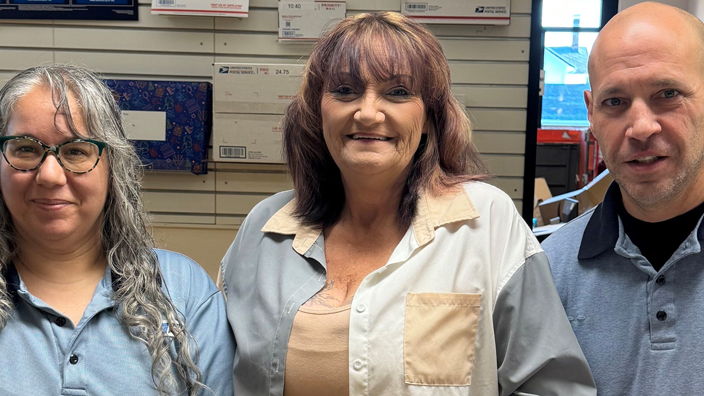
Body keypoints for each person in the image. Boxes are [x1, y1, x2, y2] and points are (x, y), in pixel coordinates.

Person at [220, 11, 595, 396]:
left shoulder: (487, 225)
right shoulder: (264, 230)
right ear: (318, 111)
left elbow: (553, 387)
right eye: (345, 91)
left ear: (431, 117)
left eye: (398, 92)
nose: (367, 112)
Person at [0, 65, 235, 395]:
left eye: (77, 151)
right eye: (25, 148)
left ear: (113, 168)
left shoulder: (183, 289)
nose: (50, 176)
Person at [542, 3, 704, 395]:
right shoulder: (549, 272)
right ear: (591, 114)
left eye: (668, 94)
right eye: (615, 102)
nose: (641, 127)